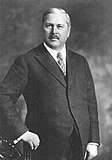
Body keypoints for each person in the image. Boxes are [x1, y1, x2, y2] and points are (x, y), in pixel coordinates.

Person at [0, 7, 100, 160]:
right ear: (43, 28)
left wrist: (93, 140)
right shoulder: (27, 61)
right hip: (44, 147)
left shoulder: (80, 62)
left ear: (69, 30)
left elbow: (90, 103)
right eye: (49, 26)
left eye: (60, 26)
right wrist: (22, 132)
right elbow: (3, 96)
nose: (54, 31)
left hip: (80, 144)